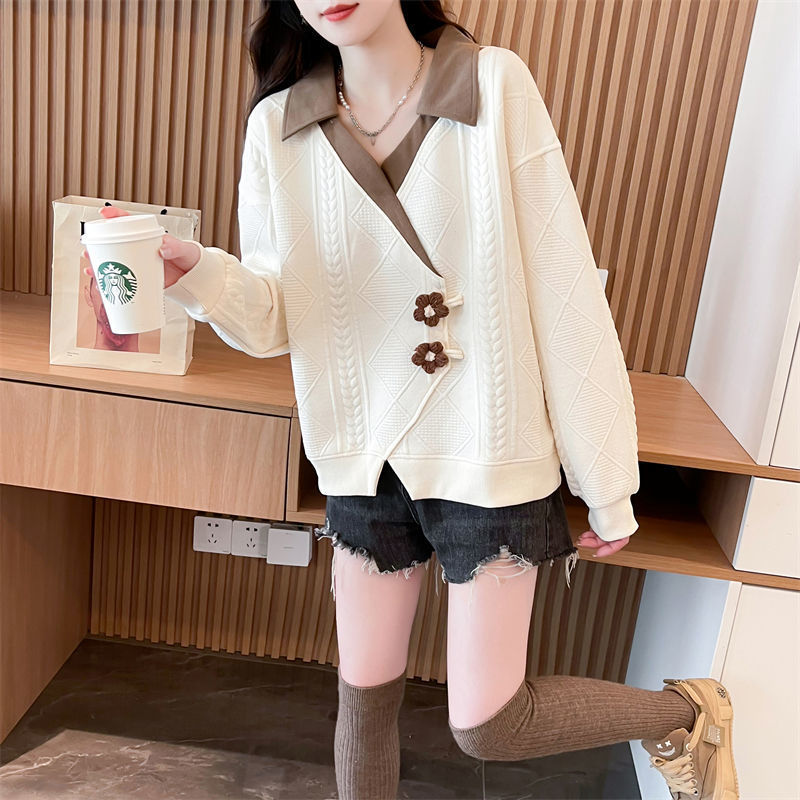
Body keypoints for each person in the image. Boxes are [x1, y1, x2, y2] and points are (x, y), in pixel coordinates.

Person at [86, 2, 739, 797]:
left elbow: (565, 291)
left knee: (488, 724)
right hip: (364, 450)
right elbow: (274, 321)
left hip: (487, 447)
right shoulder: (279, 127)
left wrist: (607, 482)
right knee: (361, 705)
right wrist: (196, 273)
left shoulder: (492, 85)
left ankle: (685, 714)